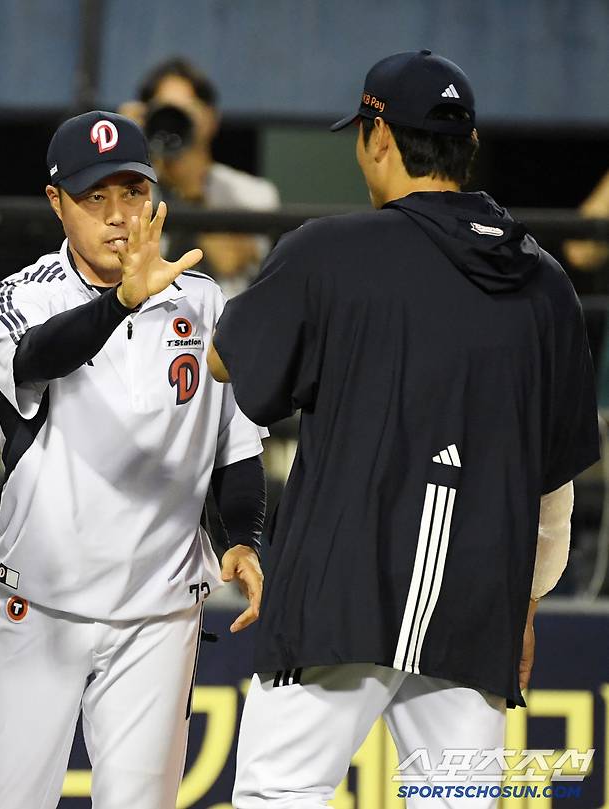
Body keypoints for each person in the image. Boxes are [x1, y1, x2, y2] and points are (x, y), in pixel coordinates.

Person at [207, 51, 600, 808]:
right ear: (469, 145)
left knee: (277, 795)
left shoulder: (329, 253)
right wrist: (526, 605)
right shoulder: (545, 282)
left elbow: (227, 365)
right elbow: (555, 483)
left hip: (336, 597)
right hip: (474, 606)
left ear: (379, 137)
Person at [0, 110, 266, 809]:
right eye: (94, 197)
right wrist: (125, 301)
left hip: (159, 617)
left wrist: (244, 539)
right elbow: (40, 356)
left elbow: (235, 443)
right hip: (42, 606)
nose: (117, 216)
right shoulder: (17, 297)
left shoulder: (202, 298)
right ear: (56, 202)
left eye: (132, 194)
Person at [120, 57, 280, 297]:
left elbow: (231, 264)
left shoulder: (250, 192)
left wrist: (190, 188)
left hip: (221, 326)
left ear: (210, 118)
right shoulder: (129, 188)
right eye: (164, 110)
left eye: (183, 110)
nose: (173, 121)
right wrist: (124, 151)